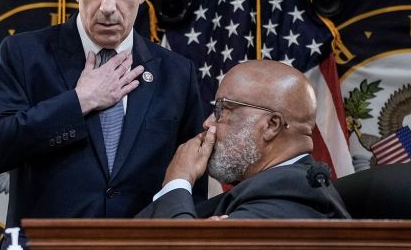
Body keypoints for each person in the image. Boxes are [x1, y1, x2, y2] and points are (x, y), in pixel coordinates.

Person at [0, 0, 205, 231]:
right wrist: (79, 102)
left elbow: (191, 182)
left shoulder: (176, 73)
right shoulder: (24, 54)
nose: (108, 6)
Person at [140, 59, 351, 219]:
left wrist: (177, 182)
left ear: (271, 125)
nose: (207, 123)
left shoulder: (293, 193)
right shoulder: (261, 188)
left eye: (223, 110)